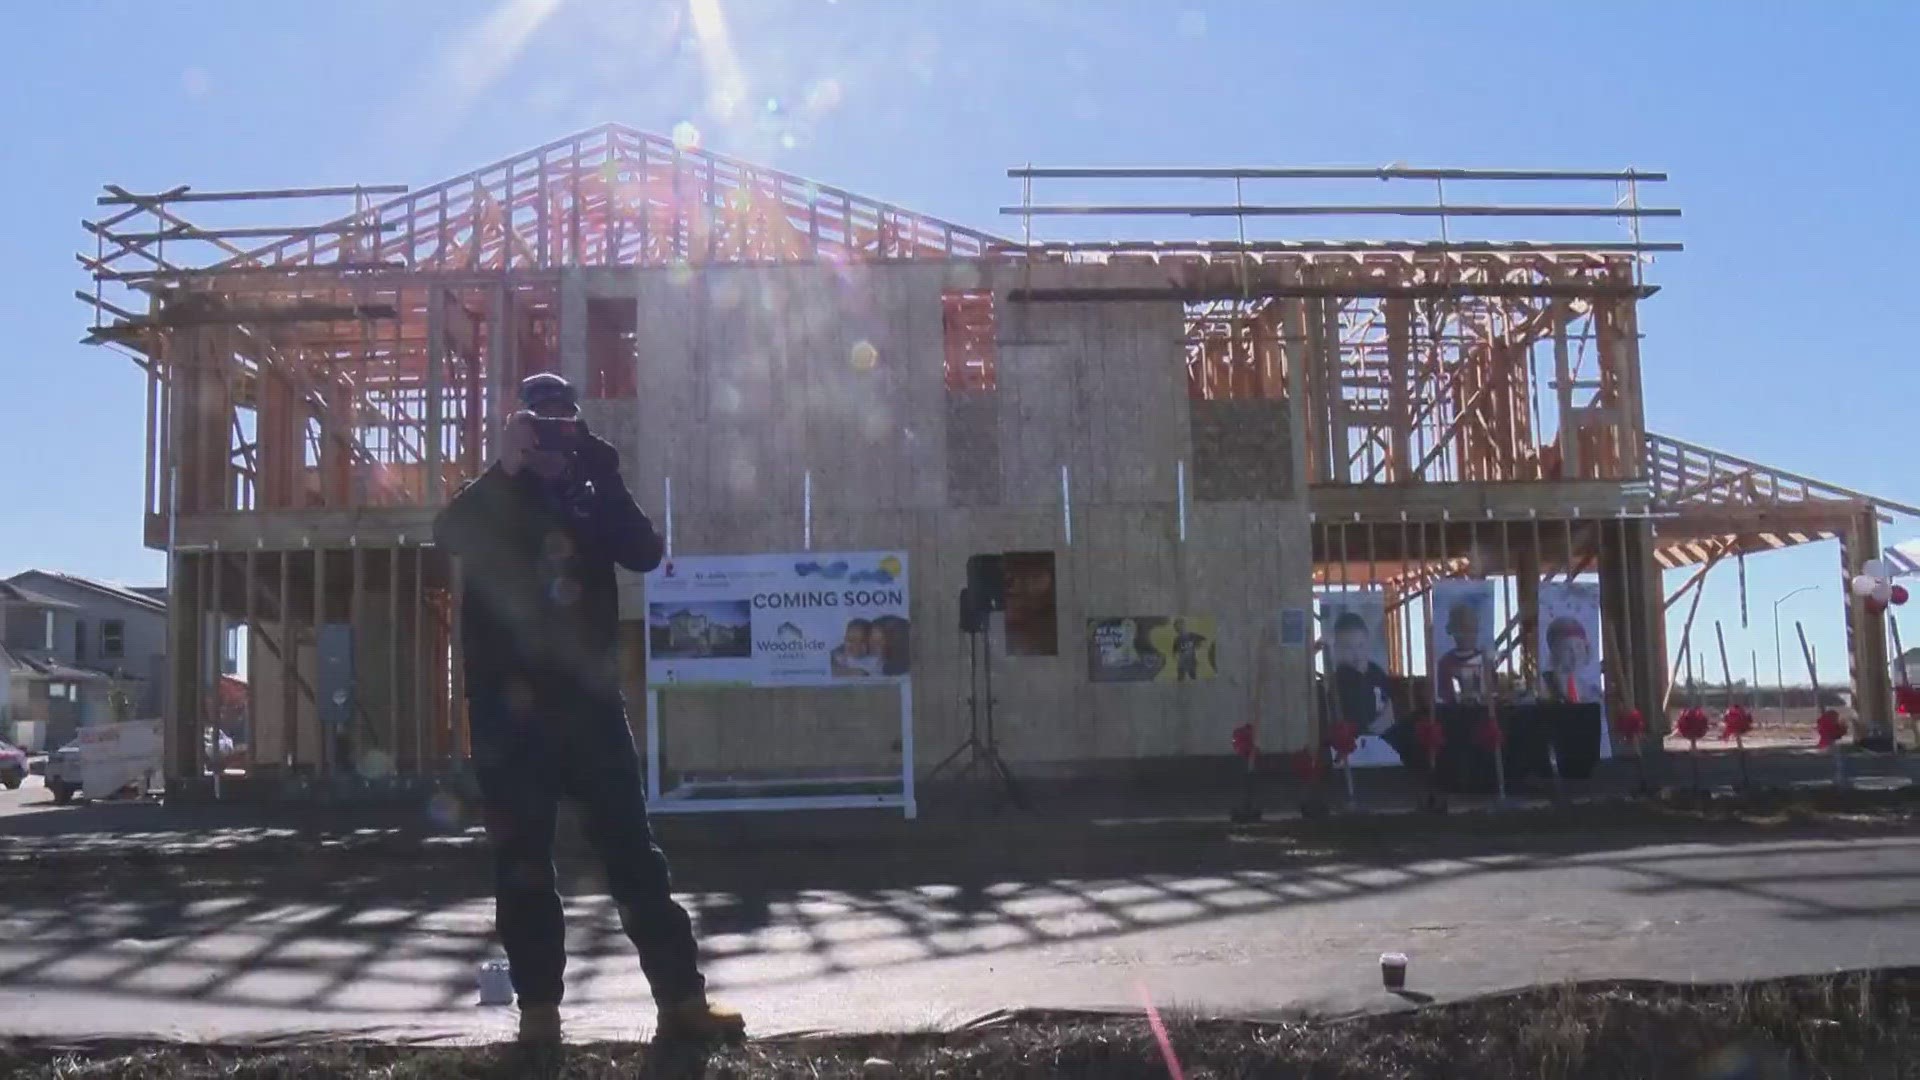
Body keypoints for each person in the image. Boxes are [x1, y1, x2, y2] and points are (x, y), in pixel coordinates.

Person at [433, 373, 743, 1046]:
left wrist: (601, 471)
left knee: (634, 852)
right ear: (519, 426)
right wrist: (504, 468)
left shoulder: (591, 493)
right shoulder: (492, 498)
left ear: (575, 426)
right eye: (538, 424)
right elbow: (448, 533)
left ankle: (682, 1002)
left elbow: (645, 551)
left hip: (589, 706)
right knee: (522, 861)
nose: (550, 436)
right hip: (509, 715)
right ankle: (538, 1014)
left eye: (561, 423)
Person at [1433, 599, 1488, 705]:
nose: (1468, 635)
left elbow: (1492, 691)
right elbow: (1443, 694)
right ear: (1453, 631)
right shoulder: (1445, 662)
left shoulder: (1485, 661)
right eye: (1463, 629)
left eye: (1471, 630)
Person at [1540, 616, 1603, 705]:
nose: (1574, 654)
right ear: (1555, 653)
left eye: (1578, 647)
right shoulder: (1545, 687)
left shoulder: (1593, 692)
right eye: (1567, 649)